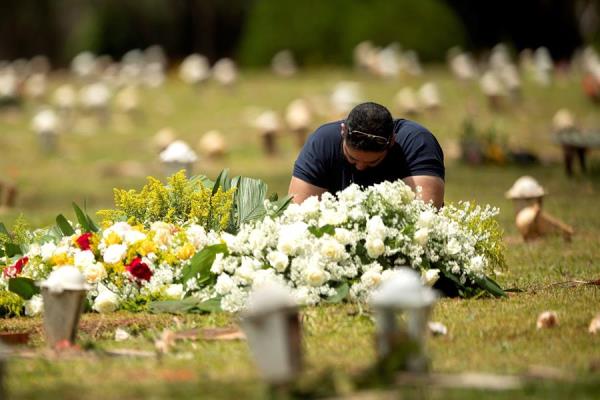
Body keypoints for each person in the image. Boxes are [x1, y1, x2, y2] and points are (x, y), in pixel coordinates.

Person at [288, 101, 445, 207]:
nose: (361, 167)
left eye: (372, 162)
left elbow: (427, 216)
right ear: (342, 132)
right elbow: (298, 214)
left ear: (391, 142)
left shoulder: (417, 143)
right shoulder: (322, 142)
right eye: (352, 159)